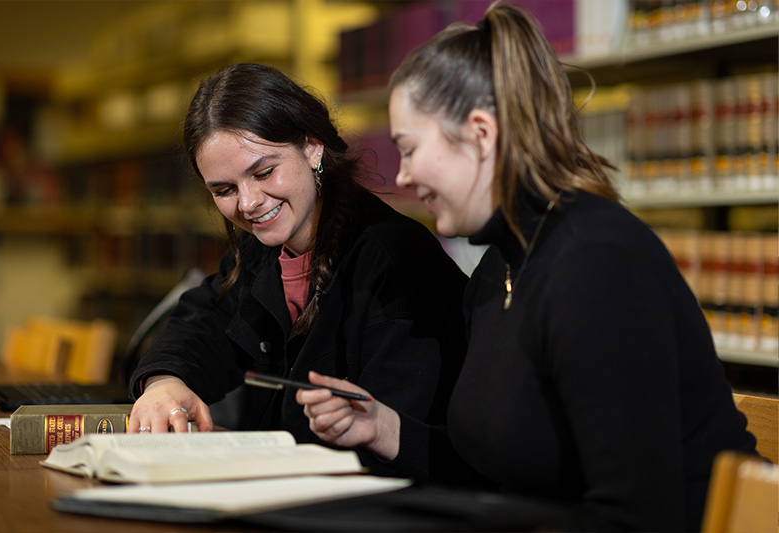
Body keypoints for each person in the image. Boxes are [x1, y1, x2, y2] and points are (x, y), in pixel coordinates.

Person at [296, 3, 760, 530]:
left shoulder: (597, 263)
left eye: (409, 149)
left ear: (480, 134)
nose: (401, 177)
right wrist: (384, 428)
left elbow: (637, 513)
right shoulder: (500, 269)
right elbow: (500, 474)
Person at [127, 63, 469, 476]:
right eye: (224, 190)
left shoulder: (394, 261)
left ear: (312, 147)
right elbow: (206, 317)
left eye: (264, 172)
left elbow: (395, 445)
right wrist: (165, 381)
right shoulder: (261, 253)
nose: (249, 203)